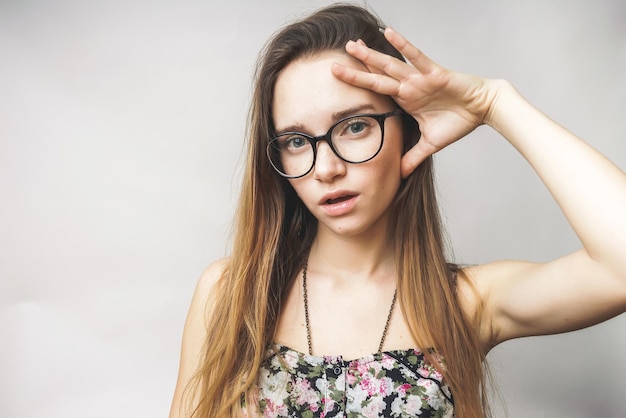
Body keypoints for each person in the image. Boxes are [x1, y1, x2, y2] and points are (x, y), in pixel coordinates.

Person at [169, 3, 626, 417]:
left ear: (408, 130)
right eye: (295, 141)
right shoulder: (230, 294)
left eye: (354, 127)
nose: (325, 168)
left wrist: (495, 103)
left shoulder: (466, 302)